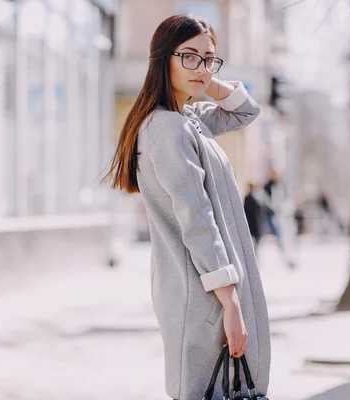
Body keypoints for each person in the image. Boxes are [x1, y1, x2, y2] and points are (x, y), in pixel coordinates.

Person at [103, 14, 271, 400]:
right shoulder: (168, 127)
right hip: (203, 295)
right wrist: (229, 301)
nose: (203, 67)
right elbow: (197, 218)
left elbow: (246, 110)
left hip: (205, 287)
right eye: (190, 57)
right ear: (164, 59)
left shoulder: (188, 120)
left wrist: (201, 75)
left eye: (210, 58)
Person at [243, 183, 264, 253]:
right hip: (256, 222)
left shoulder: (247, 198)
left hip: (250, 222)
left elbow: (244, 210)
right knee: (257, 240)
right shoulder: (257, 198)